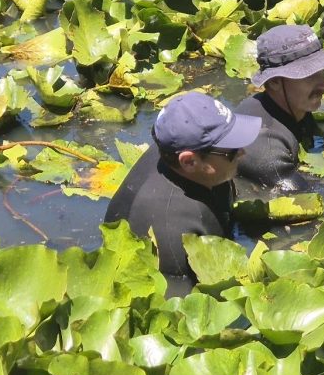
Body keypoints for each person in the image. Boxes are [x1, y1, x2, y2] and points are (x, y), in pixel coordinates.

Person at [104, 91, 261, 296]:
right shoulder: (172, 233)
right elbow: (182, 308)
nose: (242, 152)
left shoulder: (174, 152)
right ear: (189, 161)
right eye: (230, 150)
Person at [235, 24, 324, 192]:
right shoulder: (267, 149)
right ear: (274, 82)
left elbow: (316, 141)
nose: (323, 84)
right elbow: (302, 193)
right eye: (309, 75)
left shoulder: (296, 105)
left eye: (321, 72)